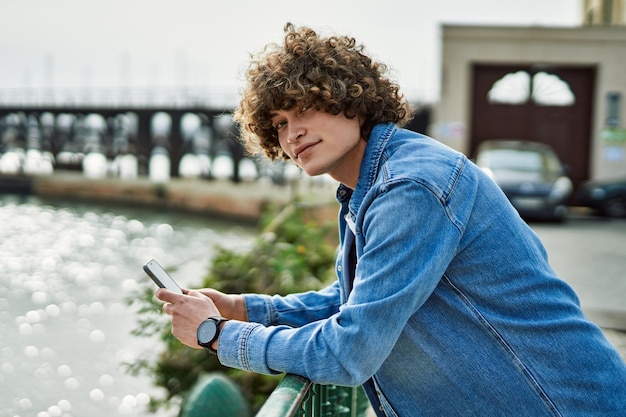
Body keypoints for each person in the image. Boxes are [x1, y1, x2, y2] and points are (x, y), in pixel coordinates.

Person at [156, 23, 626, 416]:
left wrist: (217, 334)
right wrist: (244, 308)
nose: (291, 131)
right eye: (278, 123)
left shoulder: (409, 187)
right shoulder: (371, 186)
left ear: (350, 99)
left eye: (303, 108)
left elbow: (349, 353)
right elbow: (355, 301)